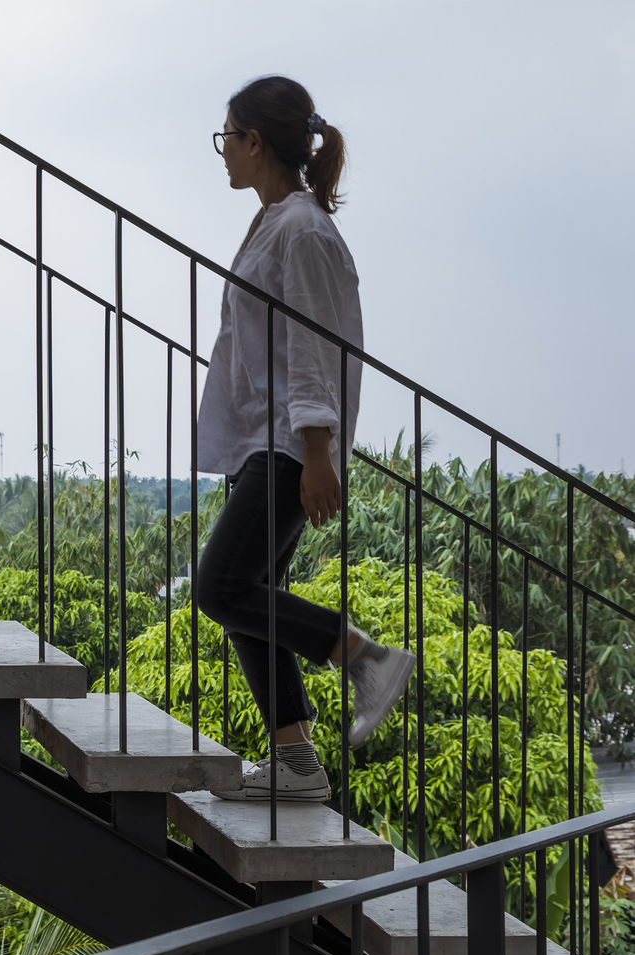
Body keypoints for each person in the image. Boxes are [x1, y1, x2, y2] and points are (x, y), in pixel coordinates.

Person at [195, 76, 415, 803]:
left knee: (220, 587)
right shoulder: (276, 222)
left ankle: (362, 656)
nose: (221, 151)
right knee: (247, 596)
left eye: (225, 136)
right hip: (263, 440)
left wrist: (316, 452)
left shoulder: (302, 230)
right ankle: (295, 764)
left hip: (288, 446)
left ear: (255, 140)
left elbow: (313, 346)